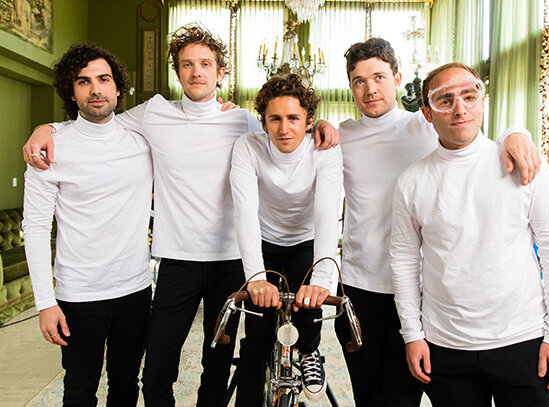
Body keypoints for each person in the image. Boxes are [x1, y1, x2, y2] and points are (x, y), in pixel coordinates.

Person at [22, 23, 339, 407]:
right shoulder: (153, 113)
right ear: (177, 71)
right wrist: (47, 128)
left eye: (205, 64)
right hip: (176, 263)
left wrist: (322, 124)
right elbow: (98, 120)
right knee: (156, 371)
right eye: (187, 64)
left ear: (221, 72)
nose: (196, 72)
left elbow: (289, 125)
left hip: (229, 262)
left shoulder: (242, 121)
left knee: (217, 366)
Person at [334, 37, 543, 407]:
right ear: (350, 87)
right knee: (368, 394)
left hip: (421, 289)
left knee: (409, 393)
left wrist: (516, 132)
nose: (370, 89)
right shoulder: (340, 136)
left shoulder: (426, 123)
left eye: (379, 77)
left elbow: (470, 127)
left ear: (397, 78)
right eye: (359, 81)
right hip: (361, 284)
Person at [390, 62, 549, 407]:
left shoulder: (525, 164)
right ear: (428, 113)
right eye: (445, 100)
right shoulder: (411, 182)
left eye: (469, 96)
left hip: (524, 339)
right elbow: (403, 261)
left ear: (483, 101)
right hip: (446, 345)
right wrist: (412, 334)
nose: (459, 108)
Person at [22, 43, 153, 406]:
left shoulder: (142, 140)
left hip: (135, 289)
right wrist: (45, 303)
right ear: (71, 91)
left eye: (103, 79)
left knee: (126, 387)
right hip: (79, 294)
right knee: (80, 391)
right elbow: (35, 228)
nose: (96, 89)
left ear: (118, 88)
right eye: (84, 81)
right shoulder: (49, 149)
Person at [230, 74, 343, 404]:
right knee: (257, 336)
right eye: (275, 119)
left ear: (309, 120)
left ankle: (309, 352)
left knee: (307, 310)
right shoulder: (248, 147)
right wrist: (255, 278)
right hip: (264, 240)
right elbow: (244, 213)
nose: (284, 128)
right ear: (263, 121)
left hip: (305, 241)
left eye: (293, 118)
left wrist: (321, 281)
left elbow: (327, 214)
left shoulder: (324, 150)